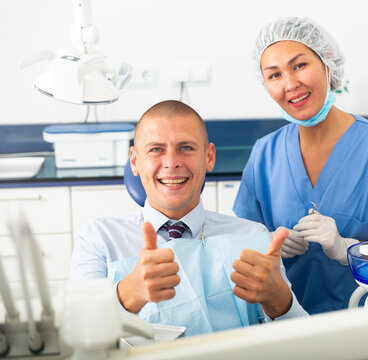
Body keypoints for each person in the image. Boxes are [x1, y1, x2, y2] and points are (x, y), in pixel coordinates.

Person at [233, 17, 368, 315]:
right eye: (274, 75)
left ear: (328, 63)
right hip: (279, 327)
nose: (290, 84)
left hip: (360, 328)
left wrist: (348, 250)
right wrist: (267, 244)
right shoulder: (265, 154)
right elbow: (239, 244)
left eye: (299, 66)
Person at [70, 100, 307, 337]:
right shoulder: (99, 238)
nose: (172, 162)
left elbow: (303, 344)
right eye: (156, 149)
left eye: (186, 148)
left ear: (209, 157)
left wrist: (280, 303)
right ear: (135, 161)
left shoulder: (251, 236)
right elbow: (75, 334)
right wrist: (126, 295)